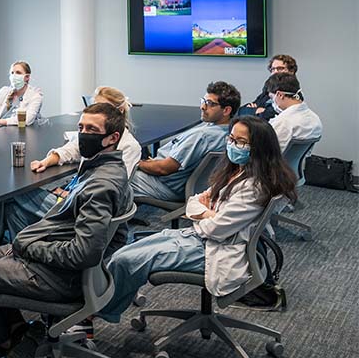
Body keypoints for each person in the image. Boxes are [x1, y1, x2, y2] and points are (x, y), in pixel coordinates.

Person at [0, 102, 133, 358]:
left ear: (113, 137)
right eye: (80, 128)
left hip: (58, 276)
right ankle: (19, 332)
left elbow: (84, 253)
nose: (83, 134)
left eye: (92, 129)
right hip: (56, 260)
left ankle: (1, 346)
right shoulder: (102, 167)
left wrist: (29, 247)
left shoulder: (101, 185)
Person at [97, 117, 298, 329]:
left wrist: (204, 215)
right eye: (231, 139)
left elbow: (215, 229)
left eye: (241, 142)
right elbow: (193, 201)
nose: (232, 145)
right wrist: (208, 213)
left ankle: (97, 314)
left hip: (221, 249)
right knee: (125, 252)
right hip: (204, 239)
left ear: (259, 148)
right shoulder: (238, 172)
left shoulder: (254, 187)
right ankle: (101, 306)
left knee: (127, 261)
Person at [1, 86, 142, 237]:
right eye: (94, 106)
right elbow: (71, 149)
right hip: (77, 195)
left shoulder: (129, 147)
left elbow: (110, 192)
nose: (96, 112)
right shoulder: (92, 134)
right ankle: (24, 247)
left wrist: (64, 194)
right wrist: (47, 161)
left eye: (102, 108)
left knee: (15, 194)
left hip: (83, 209)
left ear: (117, 113)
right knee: (14, 210)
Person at [130, 81, 238, 203]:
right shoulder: (231, 133)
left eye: (210, 104)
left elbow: (163, 169)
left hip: (166, 185)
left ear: (226, 110)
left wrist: (138, 163)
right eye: (203, 101)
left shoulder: (202, 136)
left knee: (115, 176)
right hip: (190, 186)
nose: (203, 106)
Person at [263, 72, 322, 152]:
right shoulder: (314, 118)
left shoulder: (283, 122)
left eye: (271, 97)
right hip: (296, 164)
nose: (272, 102)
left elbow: (267, 154)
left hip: (275, 164)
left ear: (280, 95)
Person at [0, 61, 44, 129]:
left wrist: (0, 122)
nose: (14, 76)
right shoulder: (4, 91)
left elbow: (28, 119)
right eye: (12, 73)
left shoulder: (35, 96)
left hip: (20, 134)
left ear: (27, 77)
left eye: (18, 73)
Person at [240, 54, 298, 119]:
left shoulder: (294, 93)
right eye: (273, 69)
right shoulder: (268, 87)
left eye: (280, 68)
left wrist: (257, 111)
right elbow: (241, 111)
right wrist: (256, 110)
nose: (275, 72)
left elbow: (269, 115)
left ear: (291, 71)